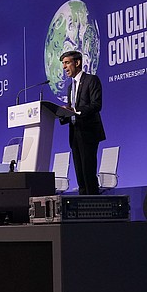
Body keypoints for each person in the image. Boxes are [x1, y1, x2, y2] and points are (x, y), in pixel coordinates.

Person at [59, 50, 106, 195]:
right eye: (63, 64)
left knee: (88, 172)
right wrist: (62, 114)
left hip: (88, 132)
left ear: (77, 62)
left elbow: (96, 105)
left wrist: (74, 109)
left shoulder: (92, 80)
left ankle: (93, 207)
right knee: (79, 174)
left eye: (67, 63)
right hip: (74, 133)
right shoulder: (70, 87)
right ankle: (82, 204)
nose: (64, 67)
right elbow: (72, 110)